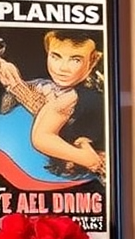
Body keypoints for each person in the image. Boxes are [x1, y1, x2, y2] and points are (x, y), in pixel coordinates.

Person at [0, 29, 105, 181]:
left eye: (75, 60)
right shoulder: (48, 88)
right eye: (55, 57)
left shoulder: (77, 97)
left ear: (93, 60)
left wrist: (89, 160)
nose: (62, 68)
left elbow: (42, 137)